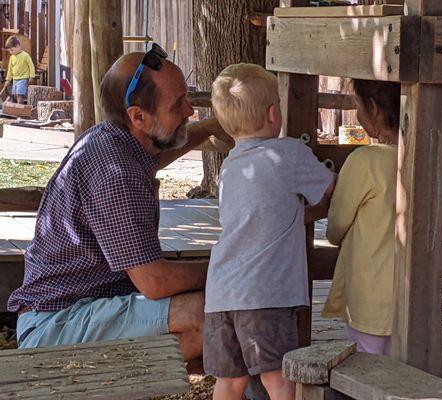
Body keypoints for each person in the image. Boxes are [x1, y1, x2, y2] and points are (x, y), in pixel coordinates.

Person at [7, 44, 233, 367]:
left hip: (75, 309)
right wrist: (226, 270)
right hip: (53, 327)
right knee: (205, 315)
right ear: (138, 116)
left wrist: (207, 129)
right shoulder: (116, 173)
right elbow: (155, 282)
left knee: (208, 315)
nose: (189, 112)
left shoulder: (117, 140)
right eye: (178, 105)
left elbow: (155, 155)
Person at [204, 63, 335, 400]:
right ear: (274, 113)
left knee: (229, 382)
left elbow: (264, 214)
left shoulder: (230, 167)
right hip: (266, 293)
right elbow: (329, 189)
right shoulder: (289, 154)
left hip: (221, 293)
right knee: (280, 381)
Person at [322, 79, 400, 355]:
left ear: (374, 109)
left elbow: (336, 226)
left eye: (356, 105)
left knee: (367, 369)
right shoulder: (423, 157)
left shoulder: (365, 160)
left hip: (370, 295)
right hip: (415, 297)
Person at [2, 36, 35, 103]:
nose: (11, 52)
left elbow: (31, 66)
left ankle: (21, 109)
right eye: (9, 51)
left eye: (12, 50)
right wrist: (8, 79)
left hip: (23, 79)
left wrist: (32, 76)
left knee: (19, 94)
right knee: (14, 95)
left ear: (18, 46)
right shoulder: (12, 57)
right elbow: (10, 70)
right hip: (15, 79)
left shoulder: (25, 55)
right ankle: (16, 108)